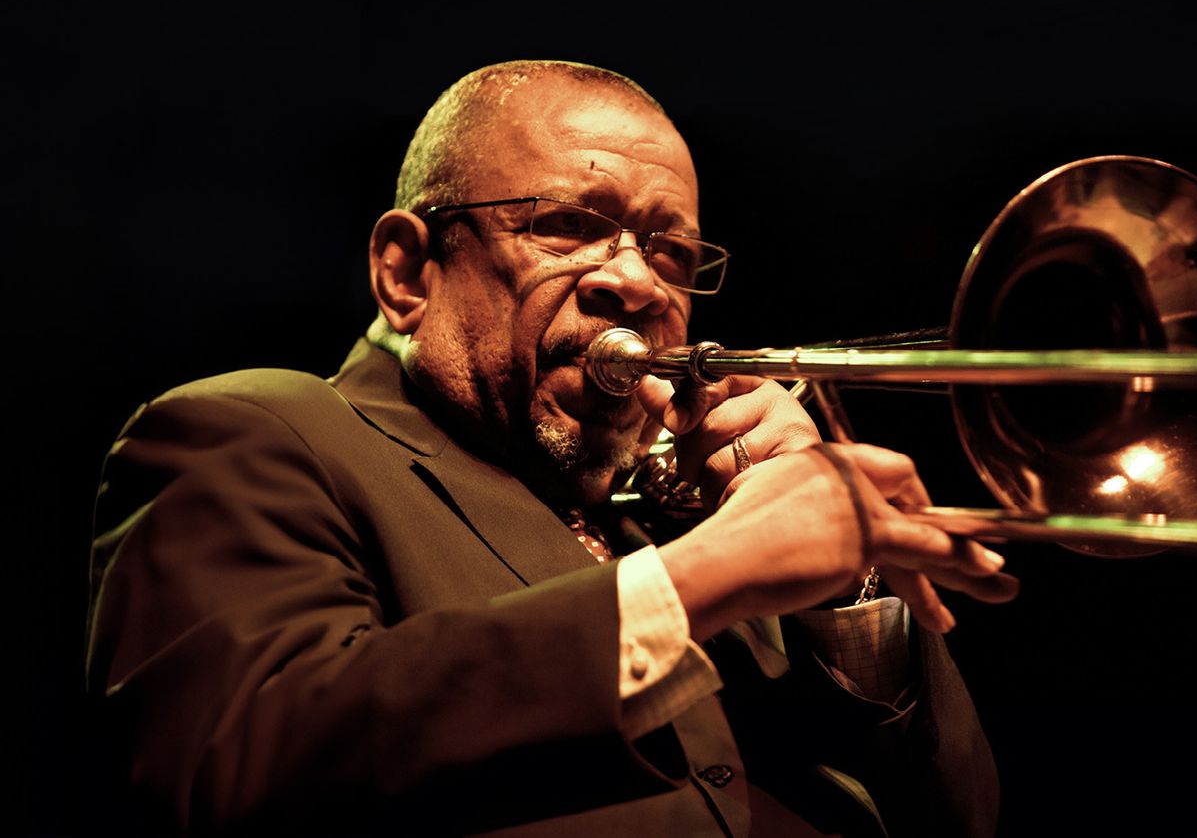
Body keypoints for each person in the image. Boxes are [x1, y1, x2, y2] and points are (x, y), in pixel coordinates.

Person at [86, 60, 1018, 836]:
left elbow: (958, 821)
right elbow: (233, 767)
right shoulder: (254, 432)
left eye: (672, 253)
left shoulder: (692, 515)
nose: (635, 282)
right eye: (568, 225)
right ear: (406, 272)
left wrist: (845, 599)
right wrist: (703, 579)